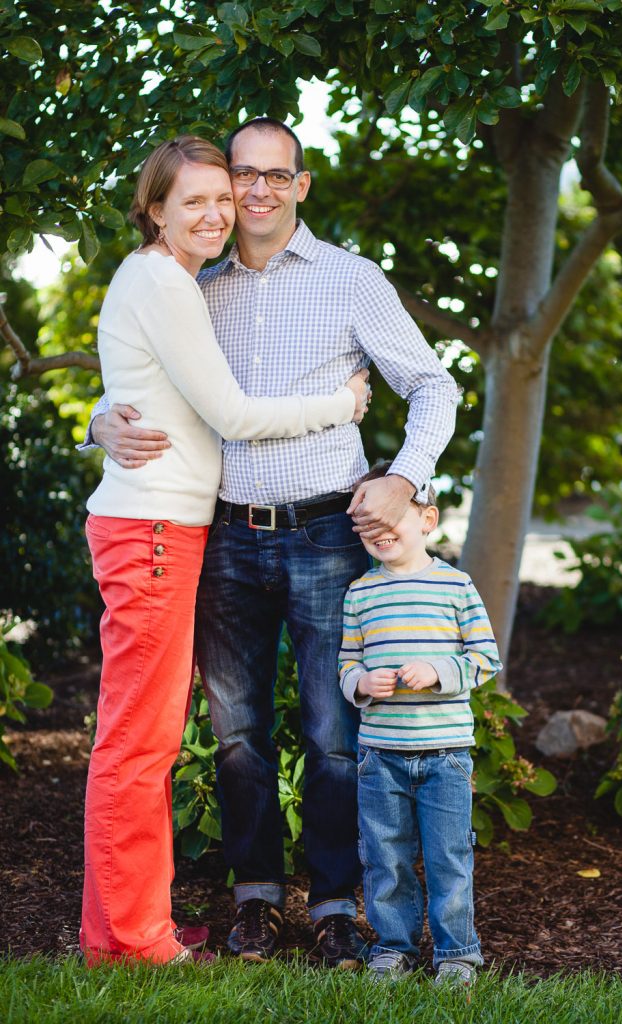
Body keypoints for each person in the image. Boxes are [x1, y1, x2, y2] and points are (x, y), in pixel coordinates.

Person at [87, 117, 460, 968]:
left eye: (269, 177)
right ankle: (252, 902)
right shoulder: (194, 281)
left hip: (328, 531)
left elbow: (430, 384)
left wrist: (404, 476)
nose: (250, 194)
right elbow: (151, 385)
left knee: (333, 735)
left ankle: (332, 908)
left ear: (300, 186)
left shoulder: (349, 279)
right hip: (220, 538)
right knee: (237, 736)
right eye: (236, 178)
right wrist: (99, 425)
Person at [339, 461, 502, 985]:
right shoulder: (360, 593)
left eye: (393, 516)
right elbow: (346, 662)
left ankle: (457, 953)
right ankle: (394, 948)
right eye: (367, 525)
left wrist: (437, 670)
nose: (380, 531)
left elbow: (484, 658)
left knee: (449, 856)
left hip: (445, 752)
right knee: (384, 857)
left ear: (427, 518)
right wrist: (361, 683)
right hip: (380, 753)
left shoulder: (456, 587)